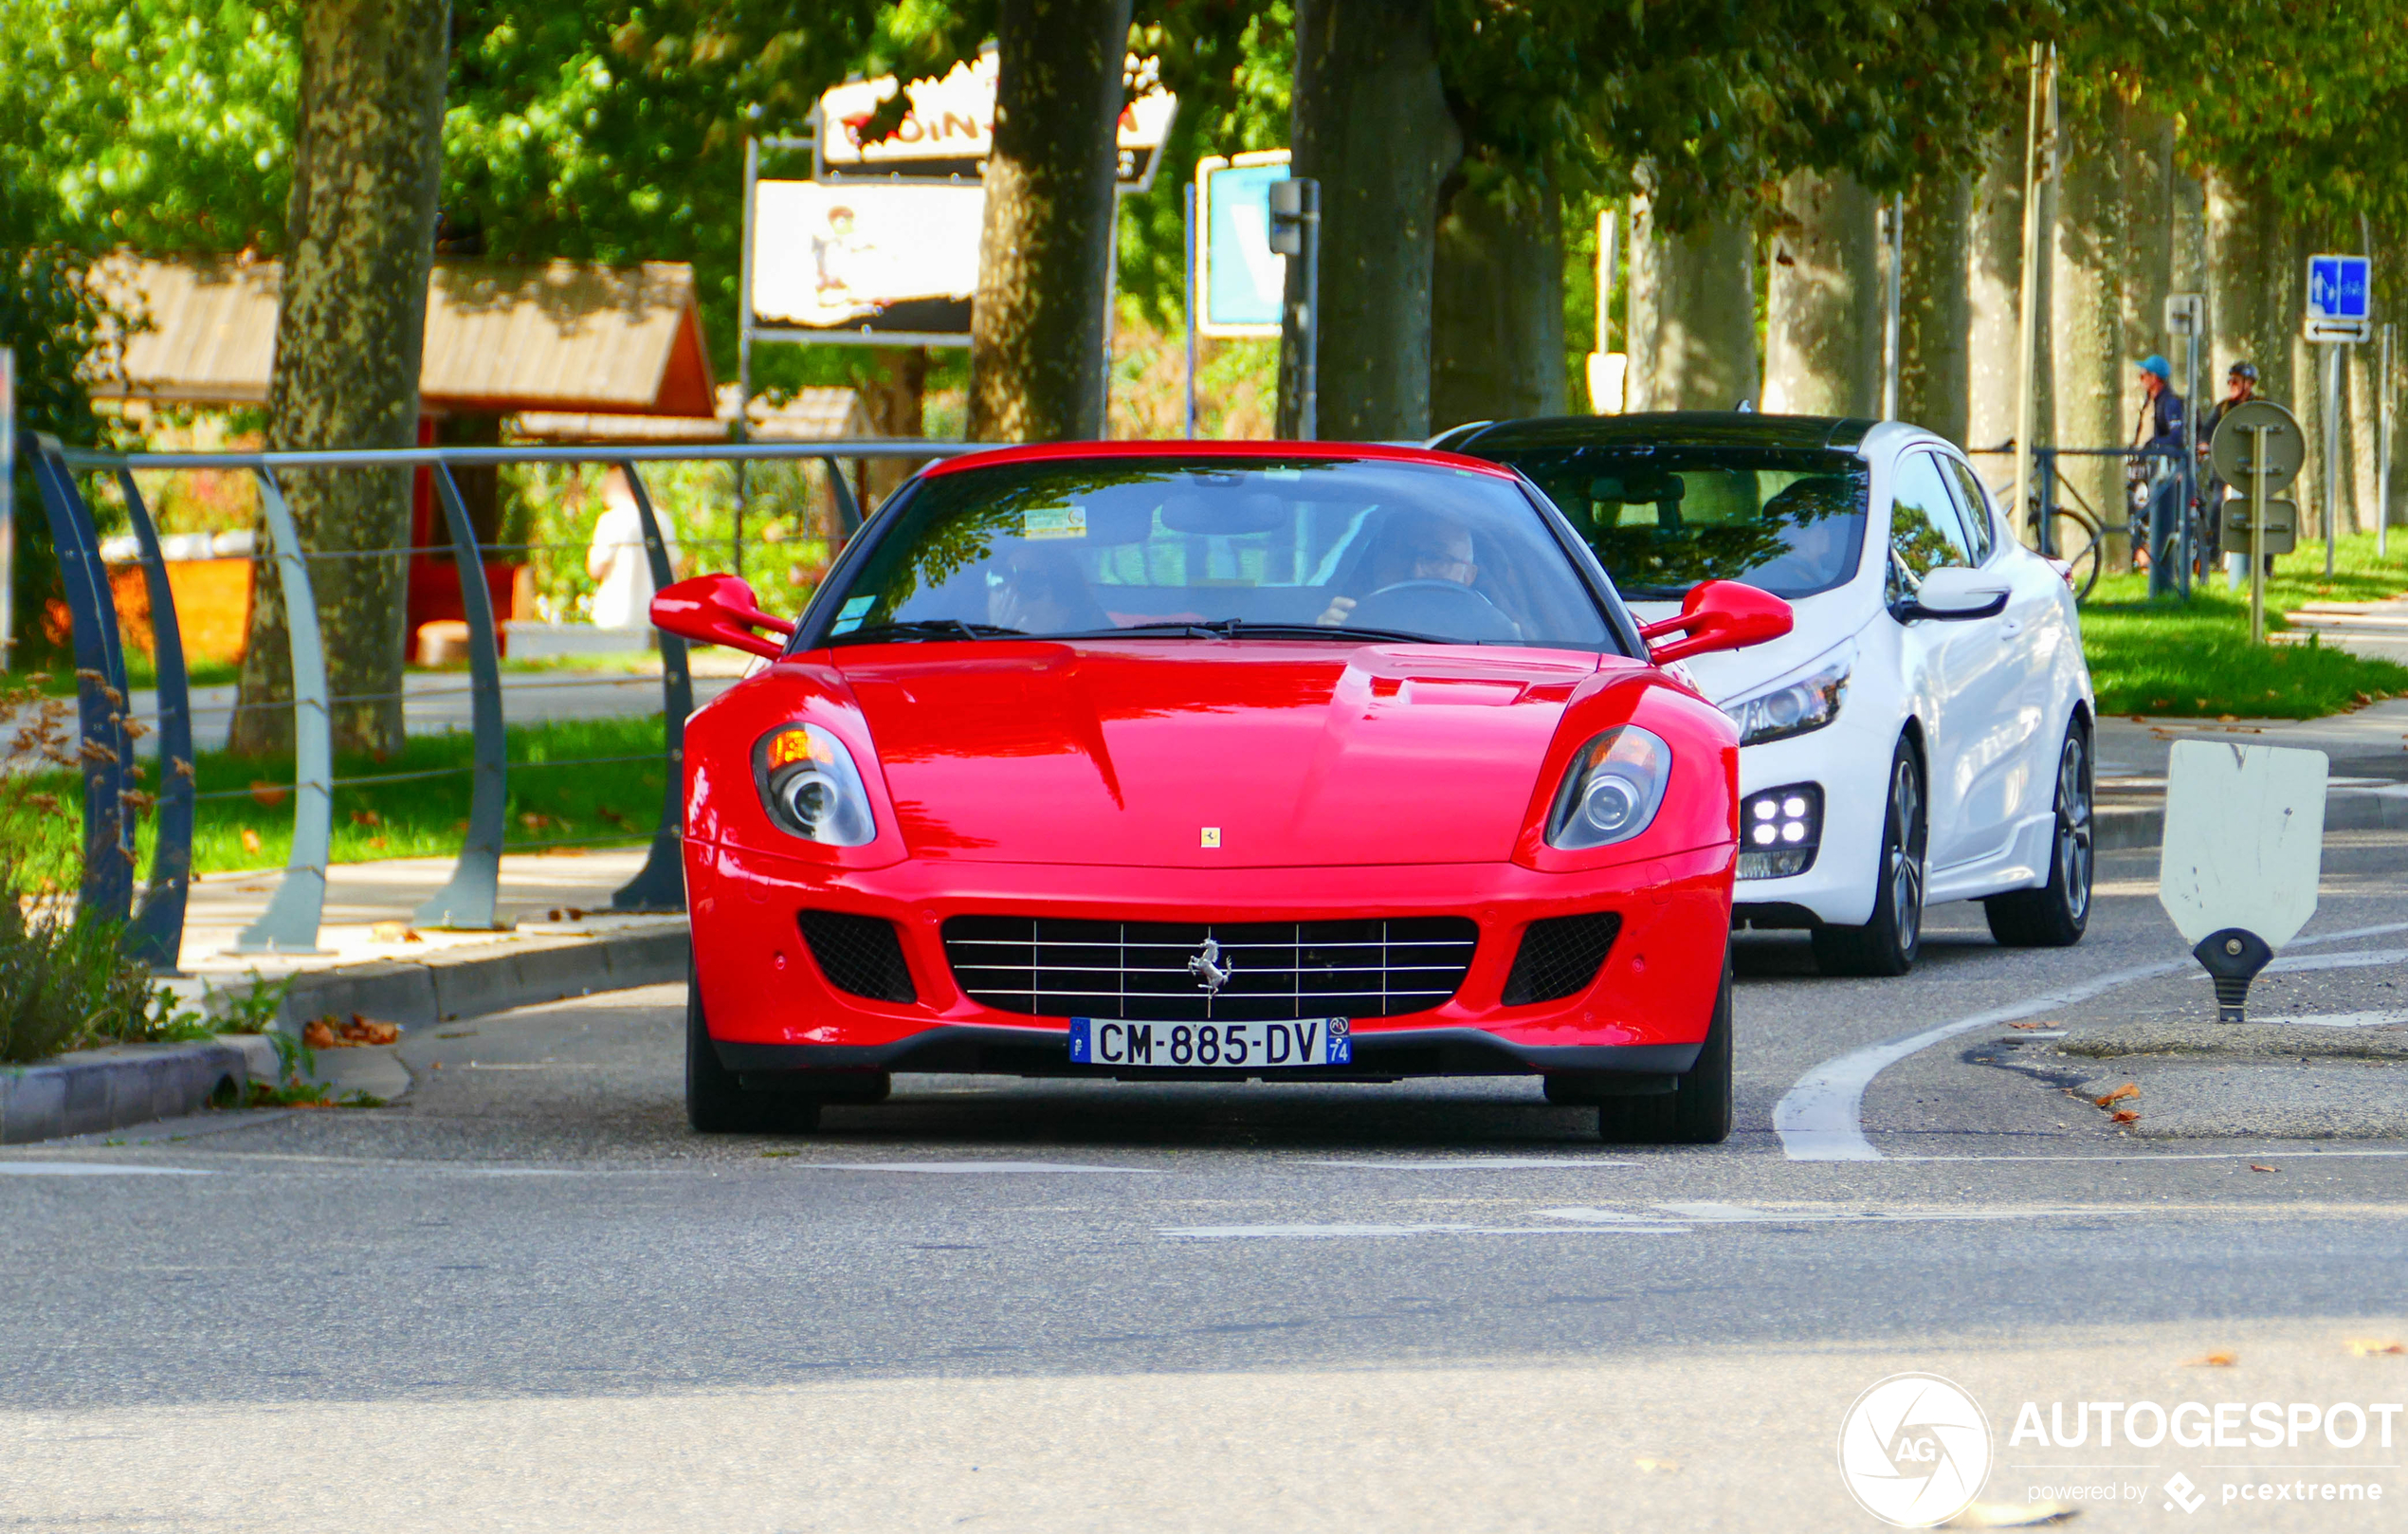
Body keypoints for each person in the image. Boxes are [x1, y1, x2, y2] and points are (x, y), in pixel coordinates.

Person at [1318, 509, 1478, 627]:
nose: (1416, 571)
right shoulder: (1351, 620)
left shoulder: (1490, 632)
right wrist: (1328, 638)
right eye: (1402, 555)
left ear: (1469, 575)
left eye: (1435, 557)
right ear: (1377, 563)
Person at [2198, 361, 2271, 586]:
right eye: (2230, 380)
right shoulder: (2222, 408)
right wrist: (2203, 444)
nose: (2231, 385)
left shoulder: (2261, 407)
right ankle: (2212, 560)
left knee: (2264, 514)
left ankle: (2265, 567)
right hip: (2225, 472)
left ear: (2249, 384)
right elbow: (2207, 432)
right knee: (2218, 509)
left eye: (2236, 381)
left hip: (2255, 474)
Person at [586, 468, 679, 630]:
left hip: (616, 616)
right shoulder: (661, 518)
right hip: (655, 616)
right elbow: (675, 566)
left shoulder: (611, 520)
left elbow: (596, 568)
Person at [2130, 355, 2187, 580]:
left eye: (2144, 375)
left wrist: (2155, 446)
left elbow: (2177, 435)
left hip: (2167, 473)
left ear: (2155, 378)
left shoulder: (2170, 403)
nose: (2141, 379)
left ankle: (2158, 564)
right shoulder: (2150, 402)